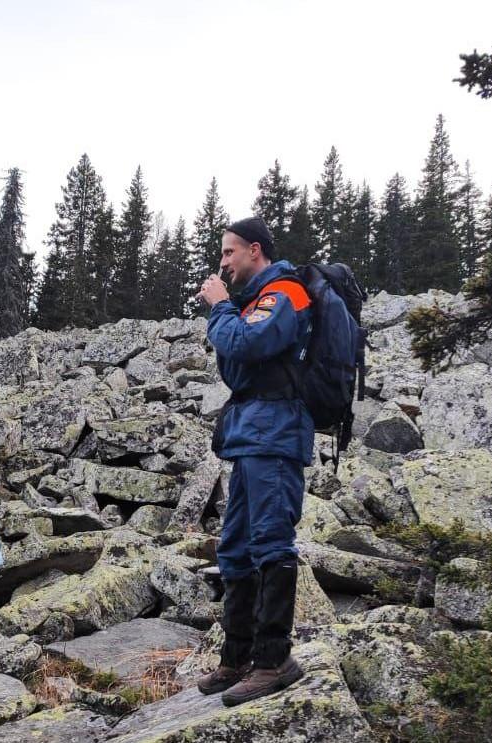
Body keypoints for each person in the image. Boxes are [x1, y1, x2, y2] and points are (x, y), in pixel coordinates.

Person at [195, 216, 314, 706]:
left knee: (269, 541)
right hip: (251, 435)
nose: (222, 262)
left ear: (255, 251)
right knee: (236, 547)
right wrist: (228, 312)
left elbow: (249, 344)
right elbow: (238, 359)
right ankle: (236, 658)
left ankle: (274, 660)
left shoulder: (286, 292)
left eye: (229, 252)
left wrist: (221, 307)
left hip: (275, 433)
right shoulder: (254, 301)